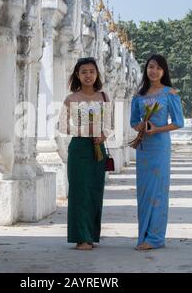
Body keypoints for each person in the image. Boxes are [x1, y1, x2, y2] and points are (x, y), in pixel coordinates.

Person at [57, 57, 113, 251]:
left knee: (95, 192)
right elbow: (62, 126)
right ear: (77, 75)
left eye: (91, 71)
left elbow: (109, 125)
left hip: (98, 150)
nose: (88, 75)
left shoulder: (104, 97)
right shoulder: (71, 99)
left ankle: (91, 235)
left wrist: (103, 136)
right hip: (79, 149)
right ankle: (81, 238)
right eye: (83, 72)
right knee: (79, 193)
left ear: (97, 74)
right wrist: (85, 131)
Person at [130, 54, 184, 251]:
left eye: (158, 68)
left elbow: (179, 122)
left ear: (164, 72)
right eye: (151, 67)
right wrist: (141, 127)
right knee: (144, 192)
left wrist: (156, 129)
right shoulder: (138, 96)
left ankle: (155, 238)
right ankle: (143, 235)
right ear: (146, 69)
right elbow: (133, 121)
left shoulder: (170, 93)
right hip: (144, 147)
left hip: (160, 146)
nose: (154, 71)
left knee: (158, 190)